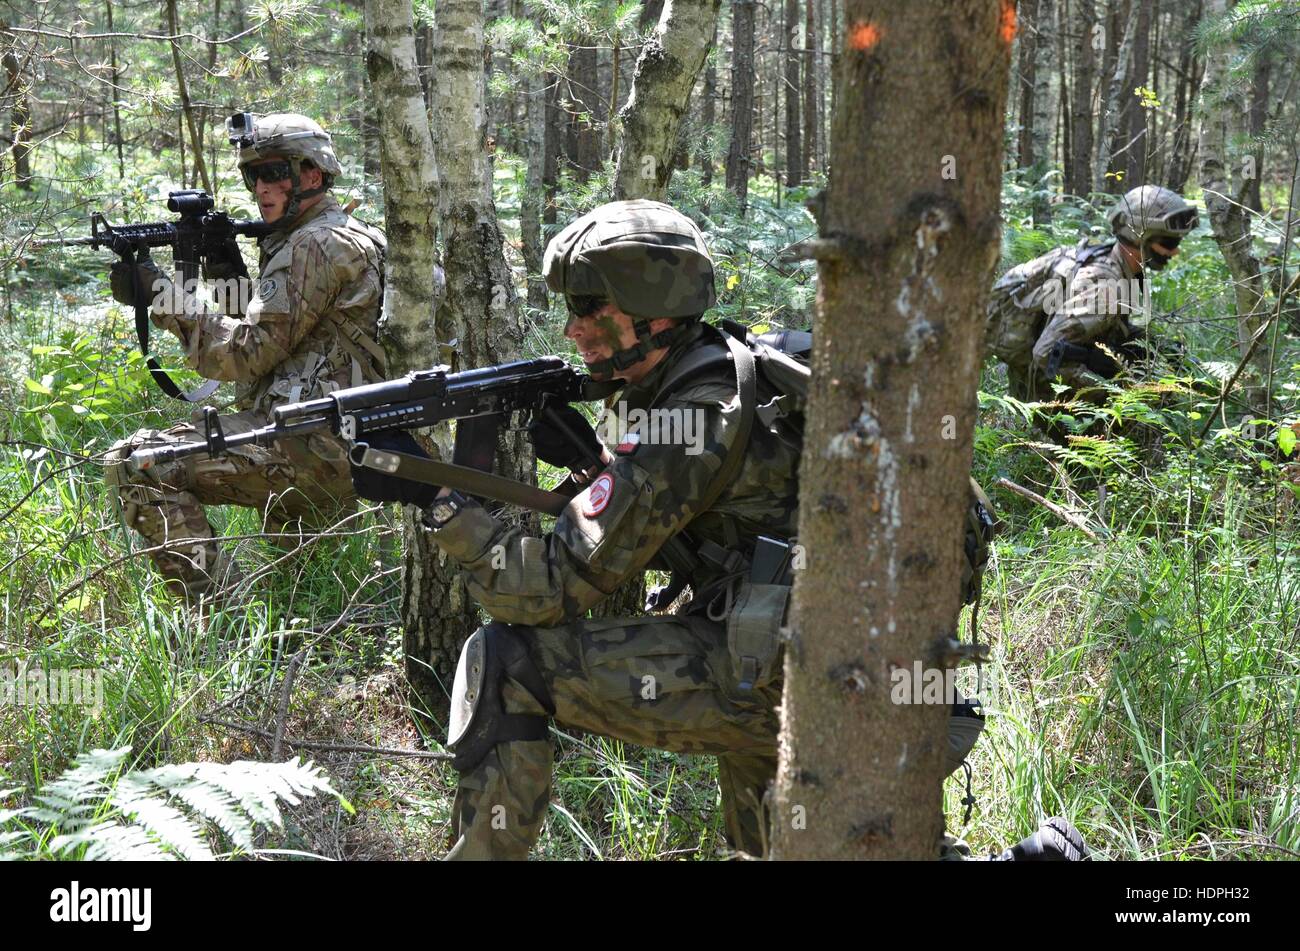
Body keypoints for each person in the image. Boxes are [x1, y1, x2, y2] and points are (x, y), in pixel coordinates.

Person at [351, 199, 1087, 860]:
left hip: (809, 679)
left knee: (506, 663)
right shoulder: (735, 368)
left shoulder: (696, 410)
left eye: (590, 306)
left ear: (653, 310)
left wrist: (441, 501)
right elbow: (696, 517)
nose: (573, 327)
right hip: (842, 665)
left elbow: (542, 591)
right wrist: (593, 465)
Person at [103, 113, 388, 600]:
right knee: (304, 594)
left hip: (314, 447)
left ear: (312, 174)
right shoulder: (349, 233)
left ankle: (224, 610)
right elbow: (287, 342)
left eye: (275, 172)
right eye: (253, 175)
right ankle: (303, 612)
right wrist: (226, 269)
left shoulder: (314, 246)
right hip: (345, 439)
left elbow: (244, 355)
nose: (261, 187)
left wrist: (160, 296)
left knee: (136, 464)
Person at [985, 185, 1199, 404]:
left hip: (1042, 384)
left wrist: (1152, 346)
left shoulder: (1115, 262)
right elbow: (1047, 353)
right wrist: (1115, 394)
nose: (1176, 251)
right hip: (1047, 396)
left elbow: (1106, 326)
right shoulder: (1105, 288)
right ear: (1140, 236)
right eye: (1169, 242)